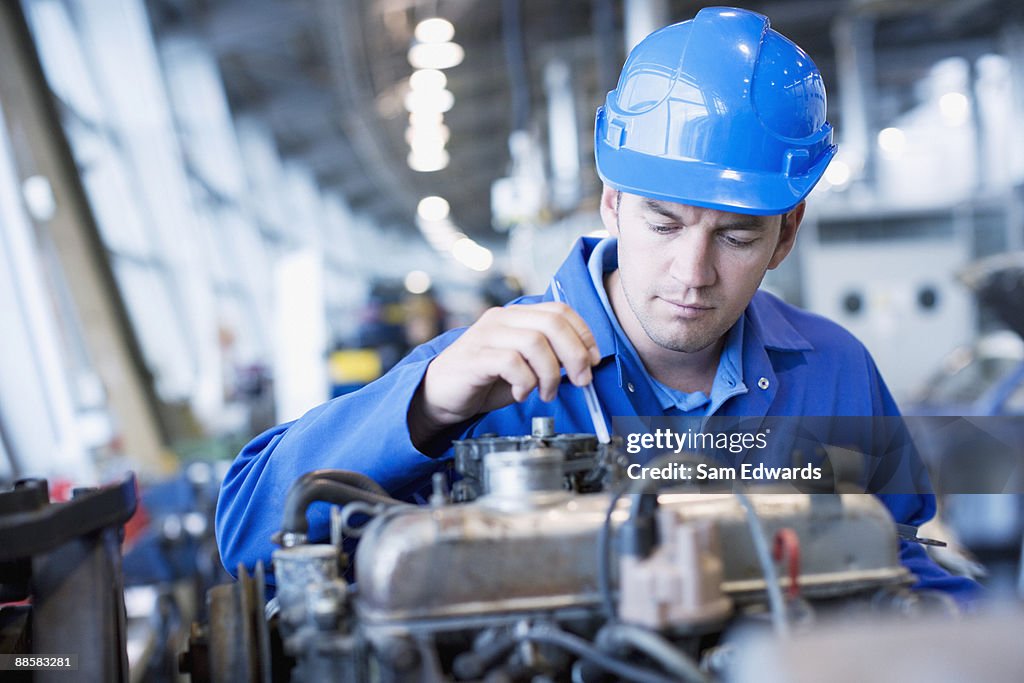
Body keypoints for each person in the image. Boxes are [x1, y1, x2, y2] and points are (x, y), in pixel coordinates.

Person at [216, 7, 978, 600]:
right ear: (611, 202)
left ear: (787, 236)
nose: (693, 272)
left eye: (737, 238)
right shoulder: (488, 380)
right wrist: (429, 403)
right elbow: (248, 533)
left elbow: (895, 556)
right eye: (663, 222)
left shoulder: (835, 371)